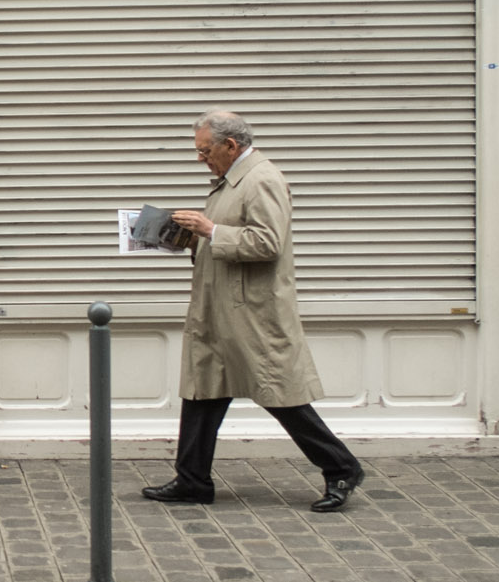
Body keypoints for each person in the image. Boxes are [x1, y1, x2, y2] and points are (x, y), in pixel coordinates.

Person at [140, 109, 365, 512]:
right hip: (220, 307)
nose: (200, 158)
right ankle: (193, 480)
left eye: (205, 150)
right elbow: (232, 237)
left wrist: (210, 230)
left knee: (281, 394)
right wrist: (185, 238)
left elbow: (267, 243)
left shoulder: (261, 180)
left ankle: (341, 467)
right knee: (203, 391)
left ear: (230, 145)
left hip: (250, 313)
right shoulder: (232, 181)